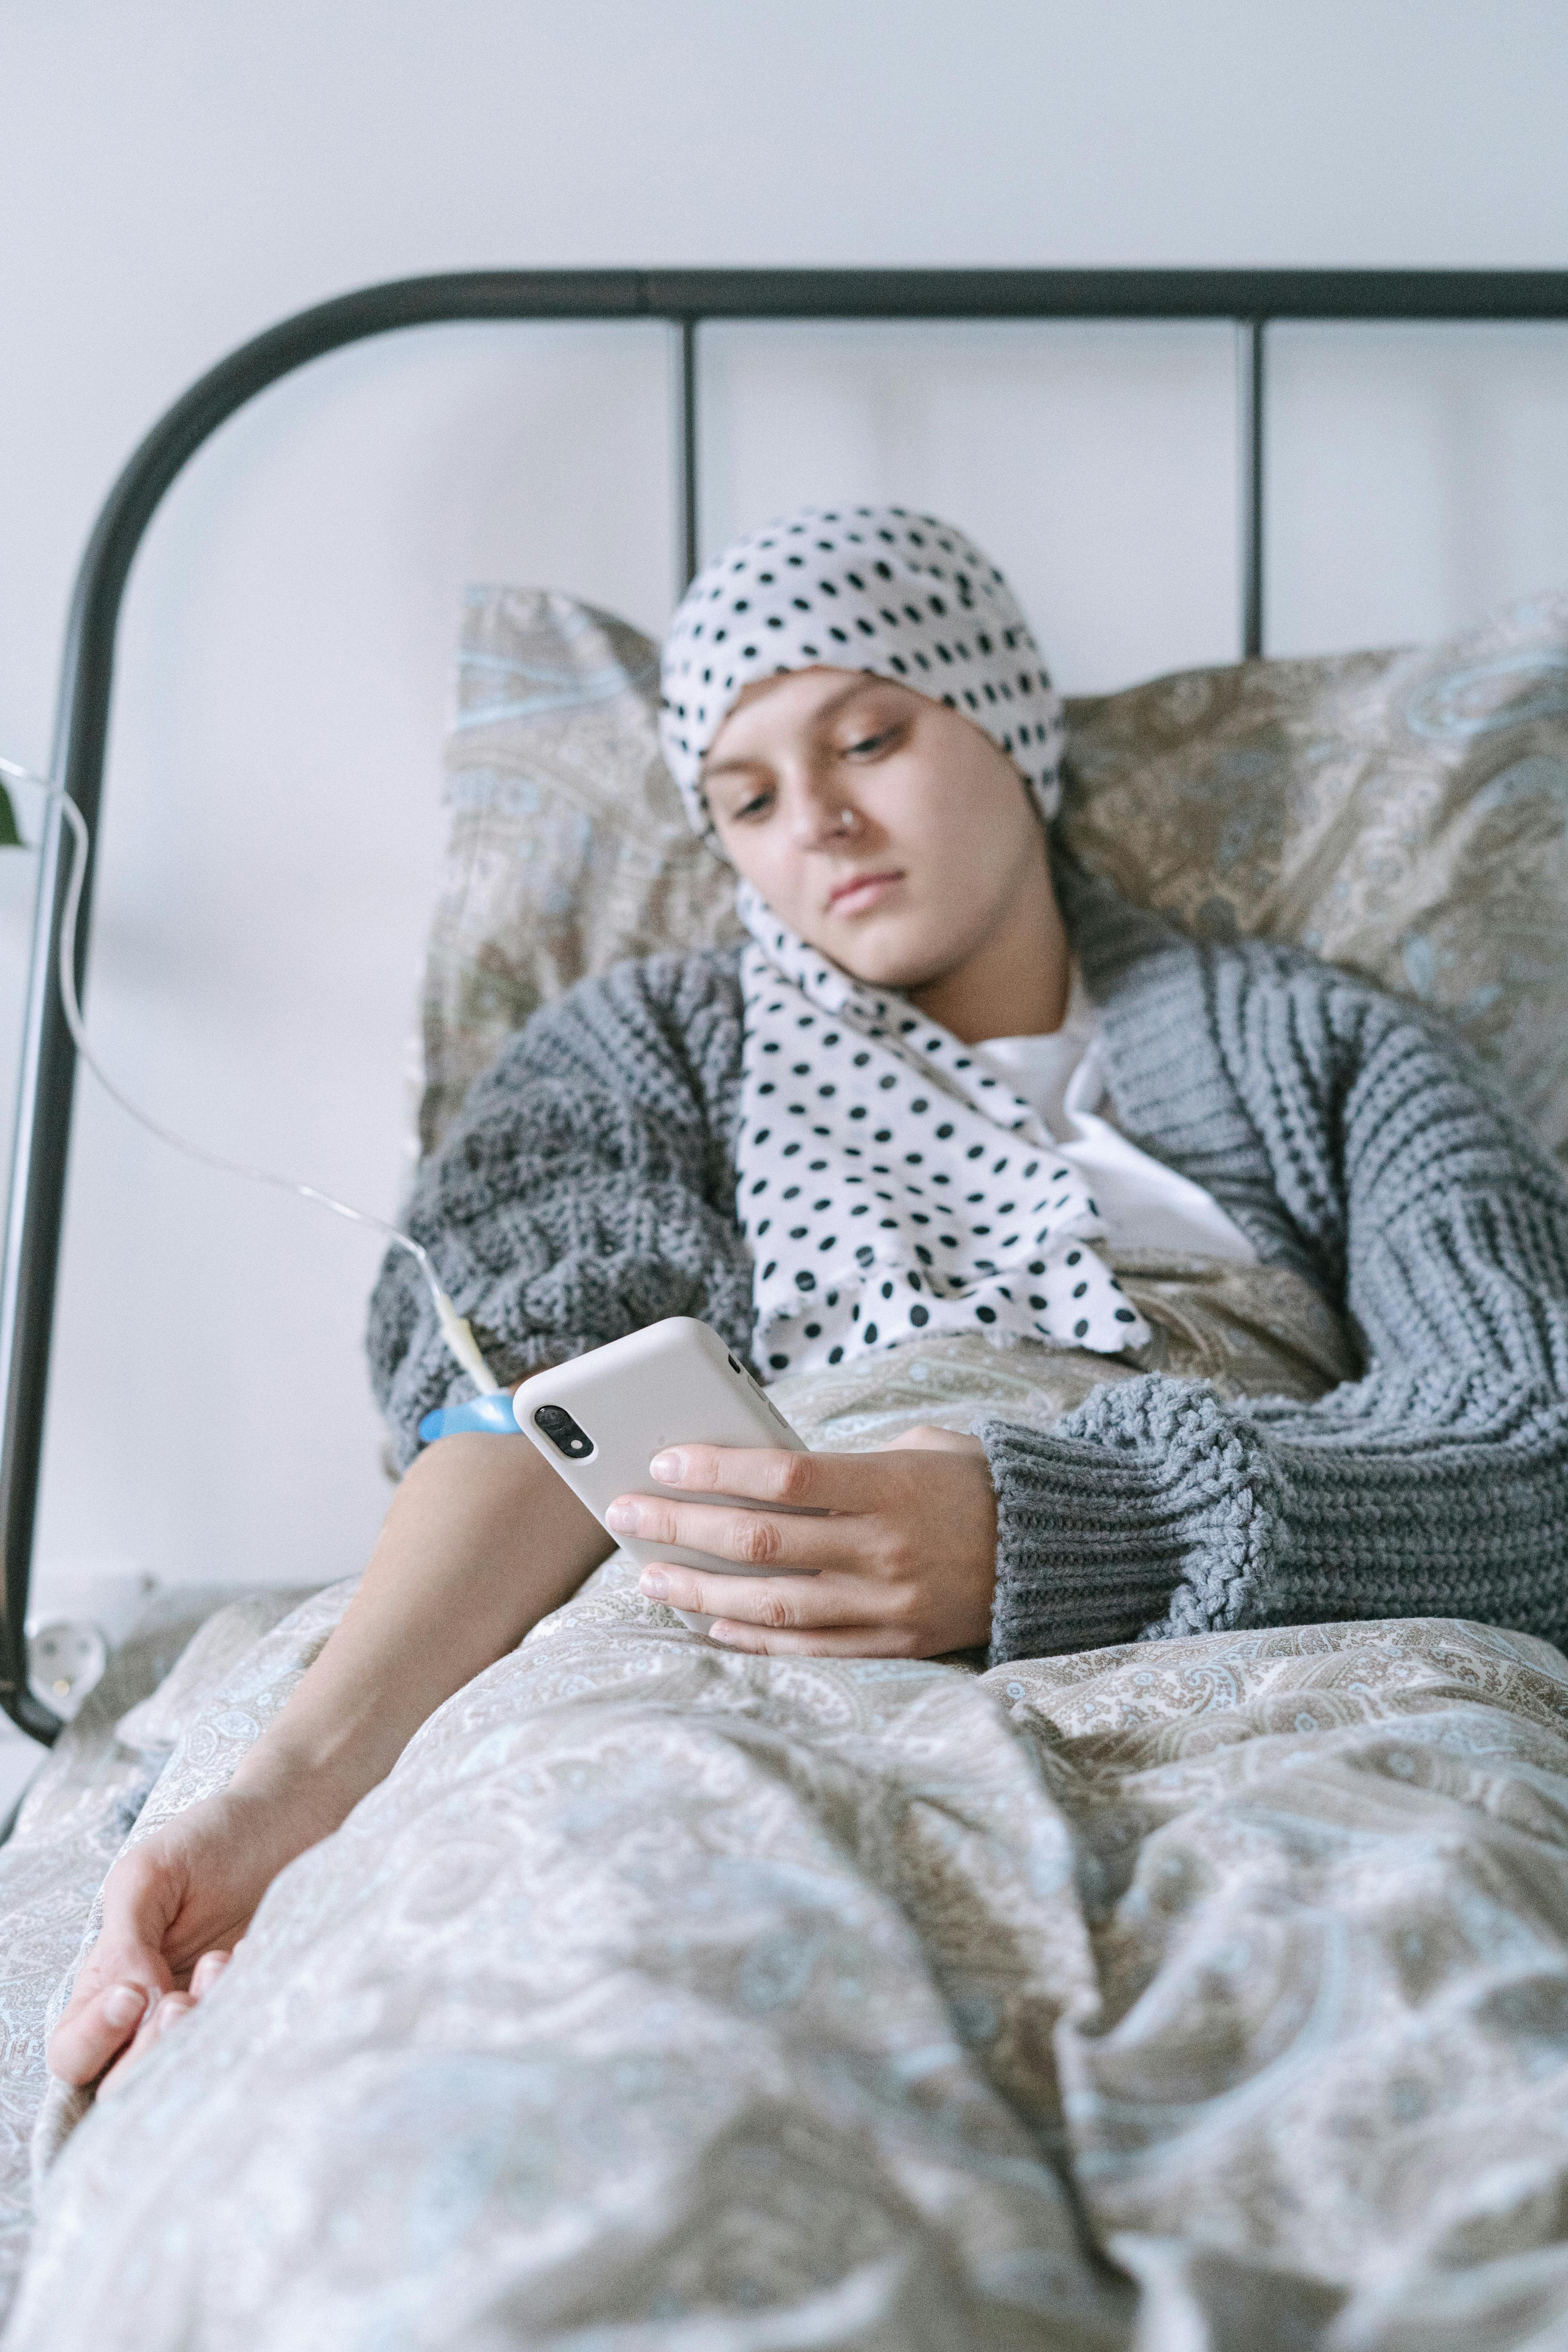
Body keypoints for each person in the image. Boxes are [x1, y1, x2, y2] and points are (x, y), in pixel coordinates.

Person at [48, 505, 1568, 2094]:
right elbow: (532, 1410)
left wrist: (1067, 1529)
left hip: (1283, 1645)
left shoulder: (1318, 1053)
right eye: (747, 799)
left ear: (1009, 727)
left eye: (868, 737)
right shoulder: (643, 1051)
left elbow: (1531, 1443)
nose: (819, 824)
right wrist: (298, 1781)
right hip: (716, 1639)